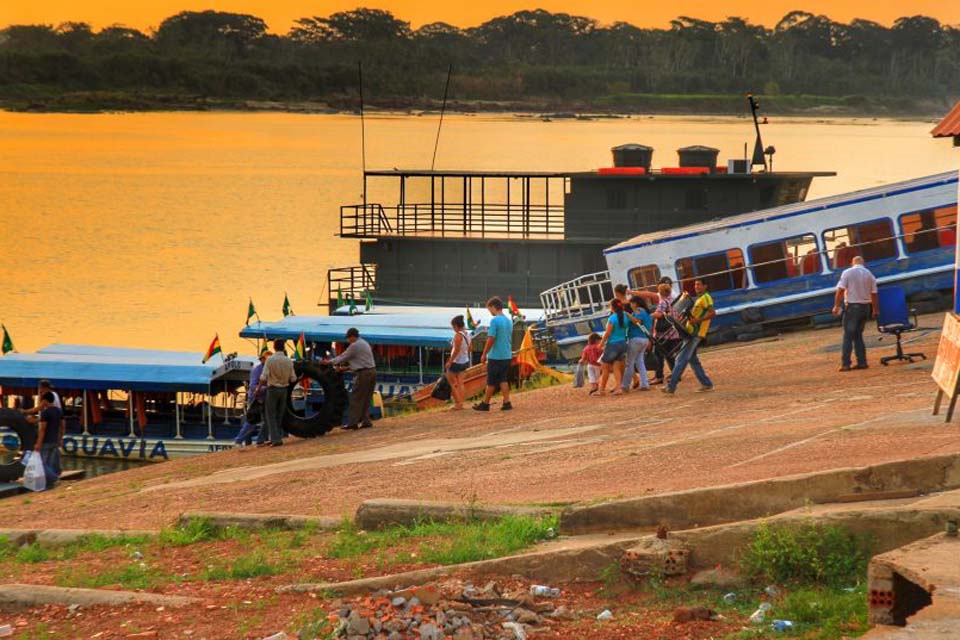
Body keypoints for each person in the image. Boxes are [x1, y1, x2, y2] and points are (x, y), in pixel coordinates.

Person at [663, 278, 715, 394]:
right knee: (693, 360)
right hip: (691, 332)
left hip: (695, 333)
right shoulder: (698, 299)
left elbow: (712, 313)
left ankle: (671, 386)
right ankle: (706, 384)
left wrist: (697, 321)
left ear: (705, 286)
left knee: (680, 359)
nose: (696, 286)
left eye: (699, 284)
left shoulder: (706, 298)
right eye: (695, 285)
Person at [832, 255, 878, 371]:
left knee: (848, 336)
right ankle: (862, 362)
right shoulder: (869, 274)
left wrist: (836, 306)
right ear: (863, 263)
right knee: (858, 335)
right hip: (865, 308)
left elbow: (840, 290)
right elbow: (874, 294)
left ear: (852, 263)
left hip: (852, 307)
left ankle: (846, 364)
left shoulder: (847, 272)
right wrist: (875, 309)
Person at [326, 328, 377, 429]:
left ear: (353, 336)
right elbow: (361, 361)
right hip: (372, 371)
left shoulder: (355, 345)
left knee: (356, 398)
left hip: (364, 374)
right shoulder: (364, 343)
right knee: (366, 398)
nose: (348, 340)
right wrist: (345, 368)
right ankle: (366, 421)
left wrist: (329, 362)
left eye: (348, 338)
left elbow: (343, 357)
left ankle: (352, 423)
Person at [474, 297, 513, 411]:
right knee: (503, 379)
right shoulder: (508, 321)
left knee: (491, 381)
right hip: (506, 354)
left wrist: (484, 353)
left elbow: (491, 338)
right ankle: (507, 402)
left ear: (493, 307)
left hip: (496, 355)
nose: (490, 312)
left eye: (489, 309)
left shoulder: (495, 321)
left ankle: (485, 404)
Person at [255, 339, 296, 447]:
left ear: (274, 347)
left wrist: (258, 389)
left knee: (270, 415)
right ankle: (276, 436)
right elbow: (293, 379)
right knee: (279, 414)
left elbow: (263, 377)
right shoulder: (288, 361)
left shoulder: (270, 360)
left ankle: (276, 439)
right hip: (284, 390)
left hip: (272, 389)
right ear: (284, 347)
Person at [234, 351, 269, 447]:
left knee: (267, 420)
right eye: (266, 358)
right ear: (262, 359)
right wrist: (266, 388)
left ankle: (261, 440)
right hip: (256, 399)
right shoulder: (257, 370)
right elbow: (252, 386)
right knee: (252, 421)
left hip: (265, 397)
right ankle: (238, 440)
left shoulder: (268, 369)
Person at [598, 298, 632, 395]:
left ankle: (602, 389)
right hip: (623, 343)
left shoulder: (612, 318)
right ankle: (618, 387)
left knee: (605, 367)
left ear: (613, 307)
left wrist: (601, 343)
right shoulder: (625, 316)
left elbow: (608, 333)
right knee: (616, 367)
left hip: (613, 344)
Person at [651, 282, 682, 385]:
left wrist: (650, 314)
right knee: (670, 355)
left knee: (658, 354)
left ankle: (659, 376)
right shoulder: (674, 301)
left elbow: (659, 314)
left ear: (661, 292)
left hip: (665, 333)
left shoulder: (663, 302)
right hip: (674, 332)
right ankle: (676, 374)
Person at [623, 296, 653, 392]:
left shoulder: (638, 310)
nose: (630, 305)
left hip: (636, 338)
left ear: (635, 303)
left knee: (630, 363)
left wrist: (627, 314)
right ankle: (644, 384)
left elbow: (638, 321)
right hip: (644, 339)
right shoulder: (647, 312)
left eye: (631, 303)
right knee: (640, 362)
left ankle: (625, 386)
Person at [33, 391, 63, 488]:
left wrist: (38, 443)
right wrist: (60, 439)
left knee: (42, 464)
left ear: (45, 401)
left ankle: (55, 479)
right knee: (49, 464)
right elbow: (62, 426)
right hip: (54, 441)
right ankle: (49, 485)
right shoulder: (59, 411)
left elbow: (42, 429)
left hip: (46, 441)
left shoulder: (45, 413)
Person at [445, 315, 471, 410]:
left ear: (456, 326)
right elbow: (469, 348)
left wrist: (450, 361)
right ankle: (461, 403)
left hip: (456, 361)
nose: (453, 329)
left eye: (453, 326)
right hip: (465, 360)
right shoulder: (467, 334)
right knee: (461, 383)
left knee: (450, 382)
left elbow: (456, 350)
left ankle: (458, 403)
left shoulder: (458, 335)